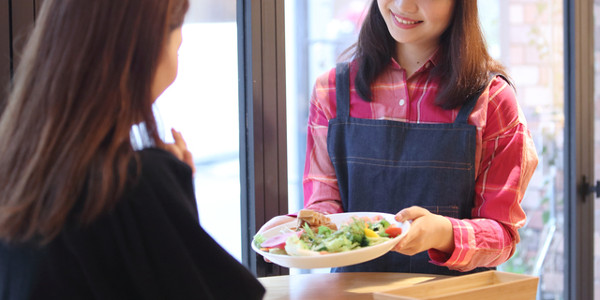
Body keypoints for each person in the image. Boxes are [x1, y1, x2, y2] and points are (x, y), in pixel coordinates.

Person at [0, 0, 265, 299]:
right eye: (176, 33)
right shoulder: (135, 184)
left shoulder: (18, 176)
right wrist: (172, 195)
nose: (179, 46)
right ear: (141, 48)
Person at [258, 0, 538, 275]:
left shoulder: (492, 100)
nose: (404, 4)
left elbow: (502, 235)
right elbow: (325, 209)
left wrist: (443, 233)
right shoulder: (331, 91)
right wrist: (298, 228)